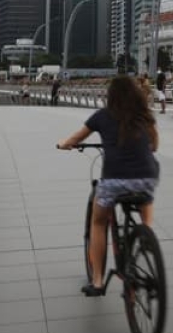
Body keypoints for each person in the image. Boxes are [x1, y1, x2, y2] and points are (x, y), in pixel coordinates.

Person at [56, 75, 160, 296]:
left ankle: (97, 281)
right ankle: (147, 232)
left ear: (111, 95)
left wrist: (65, 144)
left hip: (114, 180)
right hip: (146, 177)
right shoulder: (144, 115)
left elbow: (76, 138)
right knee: (145, 192)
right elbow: (155, 146)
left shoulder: (102, 116)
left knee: (98, 222)